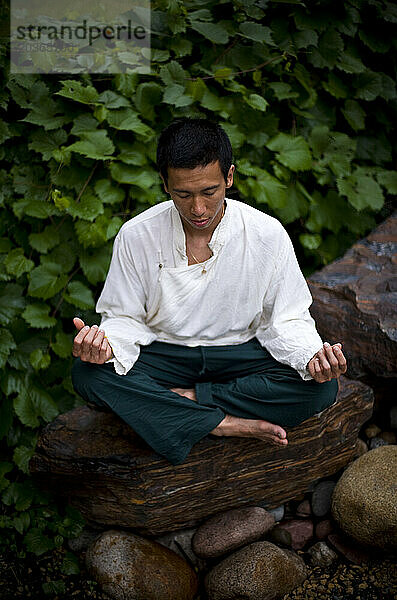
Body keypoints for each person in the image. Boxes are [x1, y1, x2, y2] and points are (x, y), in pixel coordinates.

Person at [71, 118, 347, 466]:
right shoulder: (136, 234)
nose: (197, 209)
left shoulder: (266, 234)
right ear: (165, 183)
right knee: (88, 374)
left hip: (239, 352)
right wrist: (105, 346)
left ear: (229, 177)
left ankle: (182, 403)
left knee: (322, 387)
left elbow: (287, 317)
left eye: (209, 192)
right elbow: (124, 317)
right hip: (165, 353)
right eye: (183, 194)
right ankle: (222, 423)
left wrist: (312, 355)